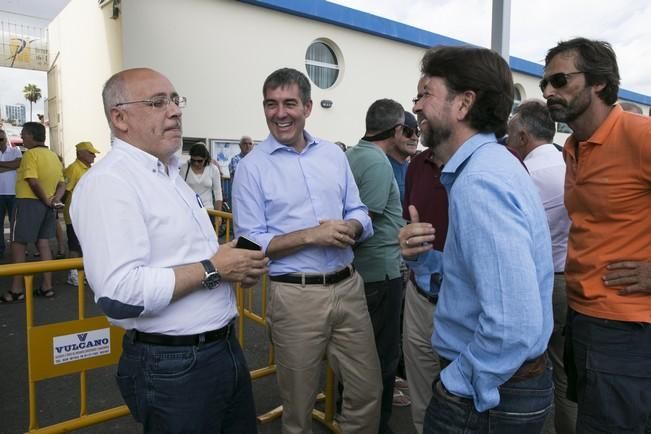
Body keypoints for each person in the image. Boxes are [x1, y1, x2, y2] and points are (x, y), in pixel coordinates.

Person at [70, 68, 268, 433]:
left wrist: (232, 262)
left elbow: (183, 257)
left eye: (176, 100)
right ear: (120, 117)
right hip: (174, 365)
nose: (175, 110)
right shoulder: (109, 183)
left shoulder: (167, 174)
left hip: (220, 349)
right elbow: (118, 295)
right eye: (158, 102)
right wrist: (214, 268)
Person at [405, 45, 554, 433]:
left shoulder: (480, 181)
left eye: (425, 93)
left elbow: (512, 325)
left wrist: (459, 383)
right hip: (501, 388)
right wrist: (424, 260)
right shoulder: (489, 167)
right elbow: (477, 283)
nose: (417, 106)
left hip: (487, 396)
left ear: (463, 104)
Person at [232, 67, 381, 434]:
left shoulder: (332, 155)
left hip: (348, 289)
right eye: (271, 104)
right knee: (297, 409)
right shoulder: (251, 169)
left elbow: (360, 211)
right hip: (295, 297)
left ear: (308, 108)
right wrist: (312, 236)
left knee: (367, 392)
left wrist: (354, 226)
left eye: (289, 103)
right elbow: (251, 244)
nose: (280, 113)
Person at [542, 37, 651, 433]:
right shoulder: (573, 146)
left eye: (559, 80)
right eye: (545, 85)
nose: (549, 92)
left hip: (627, 328)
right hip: (584, 319)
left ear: (599, 83)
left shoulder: (641, 135)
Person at [507, 100, 575, 433]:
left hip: (534, 283)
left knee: (526, 371)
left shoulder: (524, 175)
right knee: (564, 373)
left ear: (522, 135)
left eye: (509, 132)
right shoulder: (571, 164)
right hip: (568, 279)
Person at [346, 98, 406, 434]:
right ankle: (377, 425)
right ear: (396, 130)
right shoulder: (378, 164)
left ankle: (353, 414)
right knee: (381, 358)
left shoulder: (351, 155)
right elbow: (363, 220)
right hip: (380, 274)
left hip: (360, 272)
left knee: (356, 354)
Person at [397, 139, 448, 433]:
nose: (417, 107)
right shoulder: (417, 164)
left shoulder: (499, 162)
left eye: (426, 94)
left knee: (467, 408)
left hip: (468, 310)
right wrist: (410, 249)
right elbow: (409, 225)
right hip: (420, 298)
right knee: (423, 406)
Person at [1, 122, 65, 303]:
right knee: (43, 243)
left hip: (28, 202)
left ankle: (16, 289)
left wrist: (45, 199)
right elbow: (62, 183)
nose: (21, 138)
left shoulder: (30, 155)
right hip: (48, 205)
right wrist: (54, 200)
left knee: (18, 244)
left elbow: (32, 181)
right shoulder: (53, 156)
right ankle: (47, 286)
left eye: (23, 134)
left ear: (31, 135)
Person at [62, 141, 100, 286]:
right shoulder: (74, 169)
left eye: (94, 154)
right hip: (74, 215)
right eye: (90, 153)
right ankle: (73, 274)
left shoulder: (89, 168)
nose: (93, 156)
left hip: (88, 215)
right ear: (80, 153)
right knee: (74, 245)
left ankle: (82, 273)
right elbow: (66, 190)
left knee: (85, 244)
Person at [386, 111, 419, 204]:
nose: (415, 138)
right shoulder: (381, 166)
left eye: (417, 132)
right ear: (392, 133)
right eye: (408, 132)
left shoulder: (412, 169)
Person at [180, 142, 223, 212]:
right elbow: (180, 190)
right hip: (189, 209)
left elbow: (218, 192)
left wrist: (218, 214)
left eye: (199, 161)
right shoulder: (184, 168)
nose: (196, 163)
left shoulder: (213, 169)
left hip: (208, 210)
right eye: (193, 160)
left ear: (206, 158)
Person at [0, 128, 22, 258]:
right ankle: (1, 250)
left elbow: (17, 164)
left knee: (15, 223)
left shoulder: (15, 151)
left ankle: (17, 250)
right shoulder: (14, 153)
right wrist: (9, 166)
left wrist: (3, 165)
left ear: (5, 139)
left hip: (13, 193)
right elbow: (13, 165)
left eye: (1, 139)